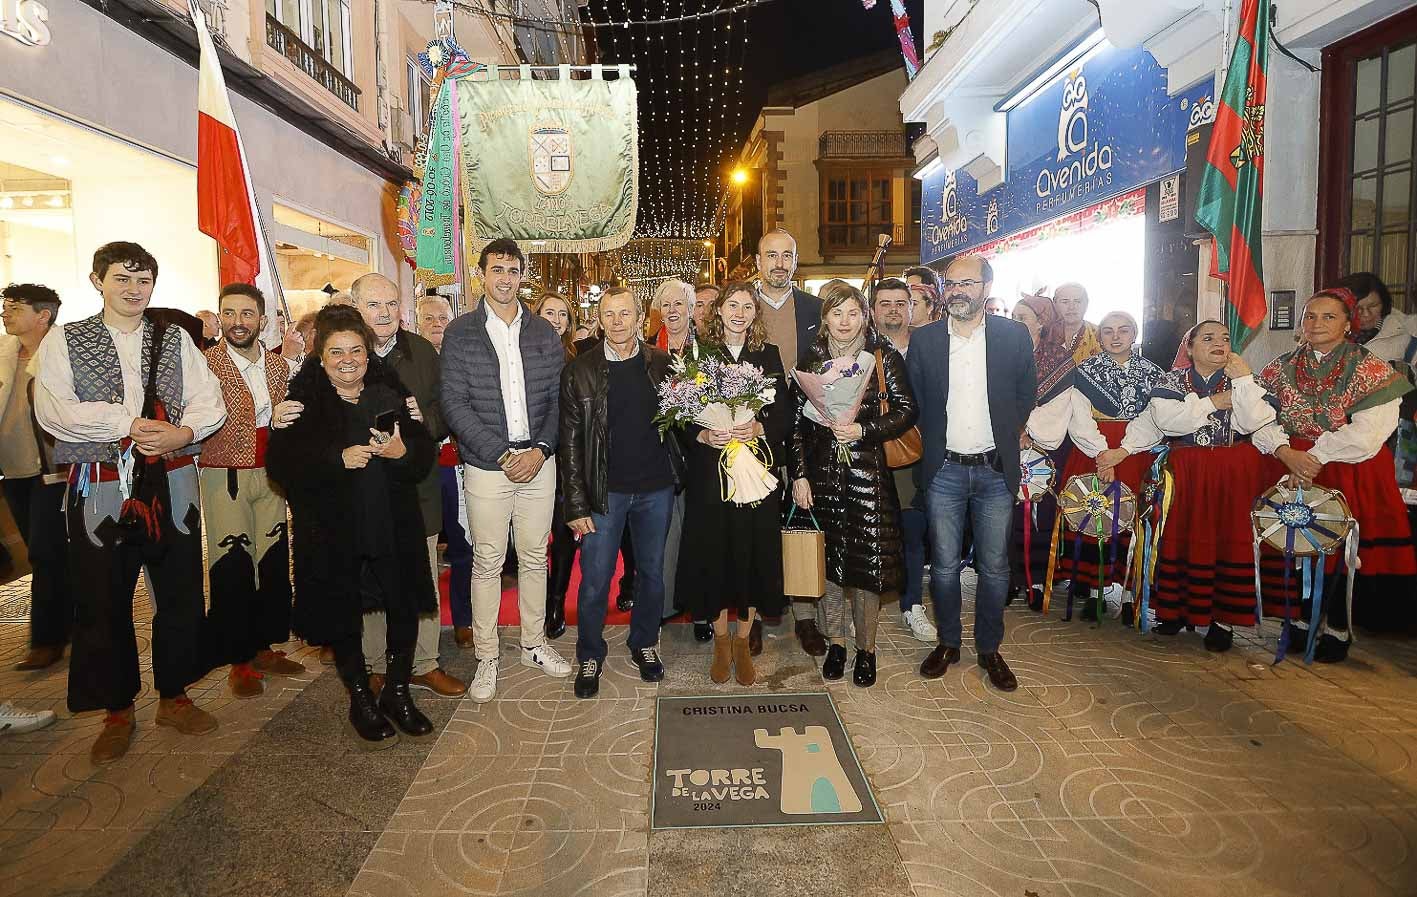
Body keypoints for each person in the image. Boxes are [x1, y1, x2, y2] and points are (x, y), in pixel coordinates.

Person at [33, 242, 228, 765]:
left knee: (182, 590)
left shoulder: (176, 340)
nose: (133, 289)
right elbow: (54, 410)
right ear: (98, 281)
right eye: (122, 278)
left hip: (173, 481)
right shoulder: (64, 339)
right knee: (102, 598)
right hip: (100, 489)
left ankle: (176, 695)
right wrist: (128, 425)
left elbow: (210, 398)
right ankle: (117, 708)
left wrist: (183, 430)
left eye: (142, 280)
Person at [268, 305, 438, 741]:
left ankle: (398, 691)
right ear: (320, 358)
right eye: (337, 352)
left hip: (390, 524)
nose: (348, 359)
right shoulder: (301, 406)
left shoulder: (391, 393)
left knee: (403, 606)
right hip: (335, 533)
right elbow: (282, 466)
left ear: (368, 354)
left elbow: (421, 453)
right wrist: (334, 460)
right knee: (344, 617)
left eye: (356, 351)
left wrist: (402, 453)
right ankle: (360, 697)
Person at [442, 239, 572, 703]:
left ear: (522, 275)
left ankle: (534, 644)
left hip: (539, 461)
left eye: (513, 270)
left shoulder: (543, 334)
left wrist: (540, 449)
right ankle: (487, 656)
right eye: (496, 269)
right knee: (488, 560)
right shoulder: (460, 333)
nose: (505, 278)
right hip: (486, 466)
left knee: (537, 556)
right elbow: (455, 405)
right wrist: (501, 454)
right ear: (482, 274)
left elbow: (560, 401)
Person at [1258, 289, 1416, 662]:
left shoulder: (1369, 368)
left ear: (1349, 324)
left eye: (1328, 317)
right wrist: (1284, 451)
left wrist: (1313, 455)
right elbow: (1258, 415)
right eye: (1310, 316)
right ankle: (1297, 620)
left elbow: (1369, 433)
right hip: (1293, 462)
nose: (1316, 324)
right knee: (1293, 539)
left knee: (1343, 548)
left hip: (1349, 468)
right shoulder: (1281, 366)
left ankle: (1337, 626)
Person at [907, 255, 1036, 691]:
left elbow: (1024, 395)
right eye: (950, 282)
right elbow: (917, 402)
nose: (957, 289)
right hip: (944, 470)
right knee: (942, 568)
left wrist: (1005, 434)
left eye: (967, 282)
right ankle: (947, 642)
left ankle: (989, 648)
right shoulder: (923, 340)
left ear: (986, 286)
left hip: (995, 472)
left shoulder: (1013, 336)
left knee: (995, 567)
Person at [1114, 321, 1280, 650]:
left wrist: (1244, 381)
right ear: (1189, 348)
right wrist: (1216, 402)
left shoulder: (1248, 379)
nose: (1218, 343)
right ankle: (1172, 611)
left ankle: (1222, 620)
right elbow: (1170, 421)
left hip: (1232, 470)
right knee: (1179, 537)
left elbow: (1253, 421)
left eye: (1225, 338)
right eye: (1208, 338)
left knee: (1226, 539)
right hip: (1185, 471)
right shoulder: (1172, 379)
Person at [792, 285, 918, 686]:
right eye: (837, 313)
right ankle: (837, 644)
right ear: (825, 318)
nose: (845, 322)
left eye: (853, 313)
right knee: (828, 568)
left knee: (866, 568)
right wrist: (799, 474)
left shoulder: (882, 358)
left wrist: (863, 429)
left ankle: (867, 650)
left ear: (865, 317)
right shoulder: (810, 360)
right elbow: (795, 427)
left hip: (868, 474)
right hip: (822, 476)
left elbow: (906, 411)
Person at [559, 287, 683, 697]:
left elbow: (683, 422)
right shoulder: (580, 371)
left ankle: (644, 643)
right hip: (604, 494)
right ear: (598, 318)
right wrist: (576, 503)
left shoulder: (663, 365)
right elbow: (571, 445)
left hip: (655, 489)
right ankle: (590, 653)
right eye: (608, 314)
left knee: (651, 575)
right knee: (594, 580)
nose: (617, 322)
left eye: (625, 313)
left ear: (639, 318)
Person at [352, 274, 466, 698]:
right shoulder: (343, 351)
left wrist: (423, 424)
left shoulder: (420, 351)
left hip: (416, 481)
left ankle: (424, 663)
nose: (384, 313)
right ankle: (375, 664)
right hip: (363, 484)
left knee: (422, 571)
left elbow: (446, 407)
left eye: (391, 304)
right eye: (374, 305)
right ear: (356, 306)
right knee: (371, 574)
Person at [676, 282, 790, 686]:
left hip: (755, 472)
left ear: (755, 314)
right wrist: (704, 436)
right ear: (719, 311)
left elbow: (785, 414)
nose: (739, 312)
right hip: (712, 473)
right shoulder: (699, 356)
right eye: (732, 305)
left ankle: (744, 640)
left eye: (747, 306)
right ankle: (722, 640)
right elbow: (681, 416)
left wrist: (760, 425)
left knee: (753, 551)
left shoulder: (768, 355)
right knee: (717, 552)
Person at [198, 283, 306, 698]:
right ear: (219, 317)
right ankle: (238, 658)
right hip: (224, 472)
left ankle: (264, 645)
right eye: (229, 313)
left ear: (262, 320)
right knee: (232, 561)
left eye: (246, 314)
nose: (237, 322)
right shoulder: (205, 366)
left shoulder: (281, 367)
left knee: (273, 559)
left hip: (272, 473)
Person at [1029, 311, 1164, 620]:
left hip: (1134, 453)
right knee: (1093, 516)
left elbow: (1156, 418)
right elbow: (1079, 419)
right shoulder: (1083, 372)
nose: (1116, 336)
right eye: (1108, 331)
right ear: (1100, 336)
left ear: (1135, 334)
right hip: (1091, 452)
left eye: (1123, 330)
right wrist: (1103, 454)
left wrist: (1123, 451)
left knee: (1133, 521)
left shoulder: (1154, 373)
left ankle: (1131, 597)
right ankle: (1094, 592)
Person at [753, 229, 826, 658]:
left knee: (802, 520)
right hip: (753, 435)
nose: (779, 263)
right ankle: (757, 613)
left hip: (806, 434)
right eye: (772, 255)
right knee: (758, 526)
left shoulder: (816, 310)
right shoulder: (741, 307)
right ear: (758, 261)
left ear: (796, 262)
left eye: (787, 255)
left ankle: (805, 618)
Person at [1, 283, 72, 671]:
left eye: (15, 307)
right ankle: (73, 621)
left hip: (54, 469)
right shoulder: (4, 355)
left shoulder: (60, 354)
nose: (6, 313)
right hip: (13, 468)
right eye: (5, 306)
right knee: (43, 552)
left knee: (45, 552)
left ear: (43, 315)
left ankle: (46, 639)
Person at [869, 277, 937, 643]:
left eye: (900, 303)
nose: (893, 309)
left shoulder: (929, 347)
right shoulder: (863, 350)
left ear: (912, 307)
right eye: (885, 303)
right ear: (873, 309)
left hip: (916, 453)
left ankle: (913, 606)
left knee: (912, 534)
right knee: (874, 533)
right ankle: (869, 609)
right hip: (872, 453)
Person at [416, 294, 475, 650]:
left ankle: (464, 619)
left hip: (459, 468)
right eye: (429, 318)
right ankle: (425, 625)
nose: (437, 324)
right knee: (421, 549)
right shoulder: (410, 364)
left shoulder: (463, 360)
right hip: (421, 469)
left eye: (443, 318)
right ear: (417, 323)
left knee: (464, 546)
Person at [1012, 292, 1075, 609]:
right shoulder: (1000, 354)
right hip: (1006, 445)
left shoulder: (1059, 359)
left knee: (1039, 514)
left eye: (1022, 317)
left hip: (1043, 450)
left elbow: (1059, 407)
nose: (1014, 323)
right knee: (1005, 513)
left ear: (1041, 322)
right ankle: (1010, 576)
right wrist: (1014, 430)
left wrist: (1029, 433)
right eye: (1013, 317)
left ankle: (1037, 579)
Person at [535, 291, 581, 639]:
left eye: (561, 314)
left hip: (565, 460)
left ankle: (555, 602)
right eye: (548, 312)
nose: (554, 319)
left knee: (563, 535)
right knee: (533, 537)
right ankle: (536, 603)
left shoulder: (576, 360)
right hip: (530, 458)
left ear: (568, 323)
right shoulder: (521, 353)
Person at [1344, 272, 1417, 365]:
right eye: (1357, 308)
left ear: (1384, 303)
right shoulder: (1328, 333)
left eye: (1373, 306)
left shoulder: (1406, 331)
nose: (1366, 314)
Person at [1052, 282, 1102, 363]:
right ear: (1055, 304)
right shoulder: (1045, 335)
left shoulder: (1100, 335)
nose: (1071, 307)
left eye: (1077, 301)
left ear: (1086, 303)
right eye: (1065, 302)